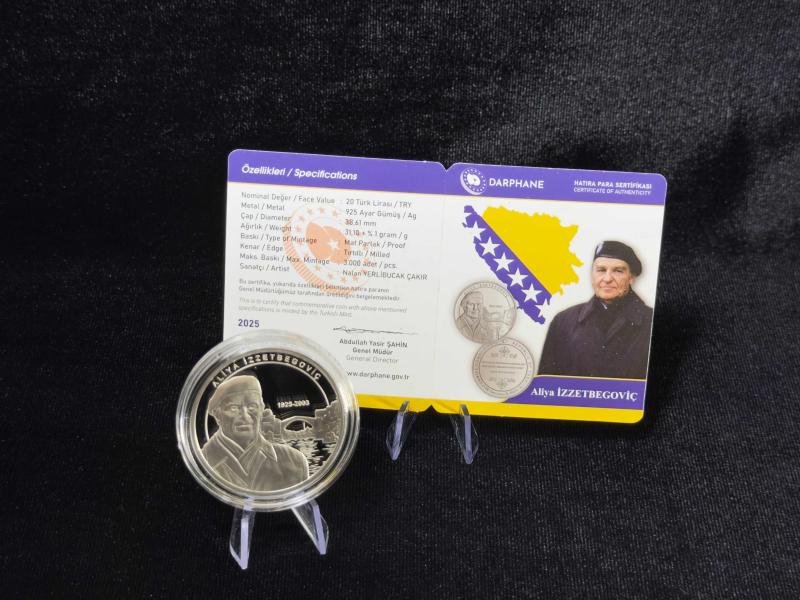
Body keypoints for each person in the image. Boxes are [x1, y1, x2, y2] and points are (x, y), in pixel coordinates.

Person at [538, 241, 653, 379]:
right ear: (592, 274)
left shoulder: (653, 322)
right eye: (601, 270)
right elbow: (545, 384)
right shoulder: (563, 321)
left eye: (618, 271)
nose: (607, 278)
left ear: (631, 278)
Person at [201, 375, 309, 491]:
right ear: (217, 414)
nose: (245, 416)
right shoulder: (202, 461)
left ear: (261, 409)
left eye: (252, 406)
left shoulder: (295, 461)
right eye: (233, 408)